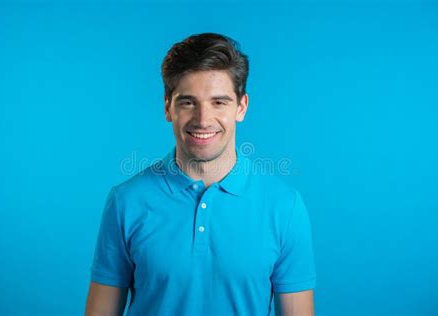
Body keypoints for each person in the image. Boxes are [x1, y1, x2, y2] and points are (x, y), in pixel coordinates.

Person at [85, 32, 316, 316]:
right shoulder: (125, 202)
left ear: (241, 107)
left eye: (219, 102)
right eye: (187, 102)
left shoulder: (284, 207)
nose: (203, 119)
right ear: (168, 106)